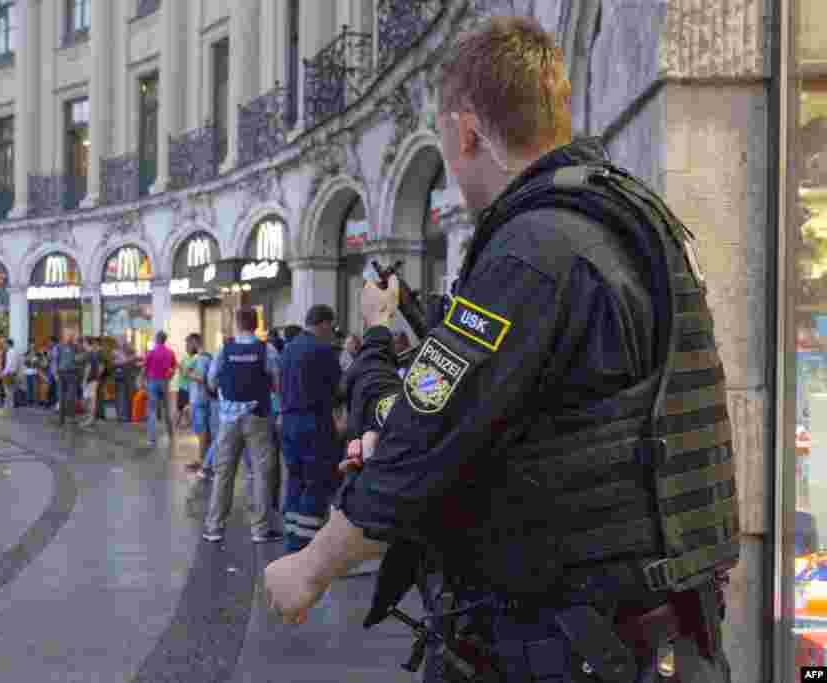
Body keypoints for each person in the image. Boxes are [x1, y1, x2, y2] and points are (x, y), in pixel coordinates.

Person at [264, 17, 735, 683]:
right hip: (656, 632)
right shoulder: (630, 219)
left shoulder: (532, 252)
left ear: (465, 132)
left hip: (563, 644)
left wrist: (309, 567)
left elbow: (416, 436)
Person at [203, 308, 282, 544]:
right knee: (261, 472)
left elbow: (211, 379)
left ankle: (214, 527)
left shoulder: (225, 349)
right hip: (258, 416)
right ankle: (260, 529)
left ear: (236, 324)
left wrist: (225, 397)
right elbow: (277, 382)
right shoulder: (266, 349)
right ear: (256, 324)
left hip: (228, 419)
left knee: (223, 473)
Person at [276, 304, 344, 553]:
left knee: (295, 479)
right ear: (324, 324)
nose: (332, 332)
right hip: (314, 424)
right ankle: (305, 545)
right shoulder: (322, 350)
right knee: (316, 481)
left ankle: (291, 535)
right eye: (332, 327)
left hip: (288, 423)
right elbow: (339, 389)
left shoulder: (289, 349)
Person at [182, 333, 213, 472]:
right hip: (199, 399)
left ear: (195, 342)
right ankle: (204, 460)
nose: (186, 347)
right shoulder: (202, 357)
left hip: (200, 399)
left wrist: (187, 373)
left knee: (203, 432)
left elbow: (201, 378)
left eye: (188, 344)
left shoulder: (202, 358)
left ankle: (204, 462)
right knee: (201, 431)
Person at [143, 331, 177, 447]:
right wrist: (170, 376)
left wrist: (143, 380)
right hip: (165, 382)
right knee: (166, 409)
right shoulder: (170, 352)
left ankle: (152, 439)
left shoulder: (151, 353)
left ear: (157, 339)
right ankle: (171, 434)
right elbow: (174, 366)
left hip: (153, 382)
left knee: (152, 410)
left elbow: (145, 367)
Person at [55, 333, 79, 426]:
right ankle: (61, 419)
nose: (69, 338)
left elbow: (79, 360)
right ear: (63, 338)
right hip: (61, 373)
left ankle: (71, 418)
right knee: (61, 397)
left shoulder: (75, 347)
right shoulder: (59, 347)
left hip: (72, 374)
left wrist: (77, 372)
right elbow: (56, 360)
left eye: (70, 337)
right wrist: (56, 373)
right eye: (67, 337)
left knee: (71, 397)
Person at [79, 338, 102, 429]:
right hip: (93, 380)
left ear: (87, 344)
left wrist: (84, 380)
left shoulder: (89, 354)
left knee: (89, 400)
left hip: (90, 380)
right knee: (89, 400)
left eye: (84, 343)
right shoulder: (93, 353)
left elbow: (88, 368)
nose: (82, 345)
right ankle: (89, 418)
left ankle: (90, 419)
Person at [113, 339, 136, 422]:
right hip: (121, 378)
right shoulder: (115, 353)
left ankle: (128, 416)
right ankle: (122, 416)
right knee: (121, 397)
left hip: (128, 378)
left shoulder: (129, 354)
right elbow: (116, 363)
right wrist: (129, 359)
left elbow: (134, 365)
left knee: (128, 397)